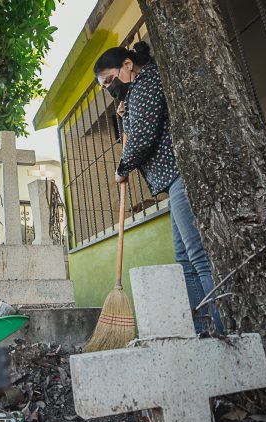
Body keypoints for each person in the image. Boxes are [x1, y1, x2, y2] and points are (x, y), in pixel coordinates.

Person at [93, 41, 225, 335]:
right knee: (184, 259)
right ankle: (202, 329)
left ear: (128, 64)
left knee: (198, 256)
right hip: (171, 181)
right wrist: (124, 115)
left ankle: (222, 325)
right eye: (105, 87)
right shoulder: (136, 91)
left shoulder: (149, 80)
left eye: (111, 81)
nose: (110, 89)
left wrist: (122, 168)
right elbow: (136, 127)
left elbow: (143, 137)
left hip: (181, 176)